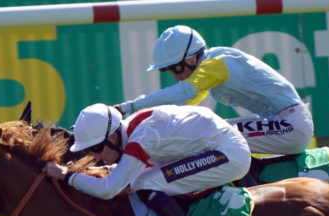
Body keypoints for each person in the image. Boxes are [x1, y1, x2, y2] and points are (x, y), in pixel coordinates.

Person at [43, 103, 250, 216]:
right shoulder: (132, 131)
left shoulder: (142, 137)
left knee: (144, 183)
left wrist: (65, 175)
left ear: (114, 136)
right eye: (89, 151)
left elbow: (109, 189)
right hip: (215, 147)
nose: (95, 157)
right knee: (144, 180)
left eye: (96, 149)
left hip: (228, 154)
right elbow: (124, 173)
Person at [115, 25, 313, 156]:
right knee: (207, 132)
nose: (176, 76)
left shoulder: (215, 66)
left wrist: (128, 107)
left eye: (176, 68)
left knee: (212, 135)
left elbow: (181, 93)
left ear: (193, 59)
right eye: (169, 71)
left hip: (290, 125)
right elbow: (178, 105)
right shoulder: (209, 69)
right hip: (284, 122)